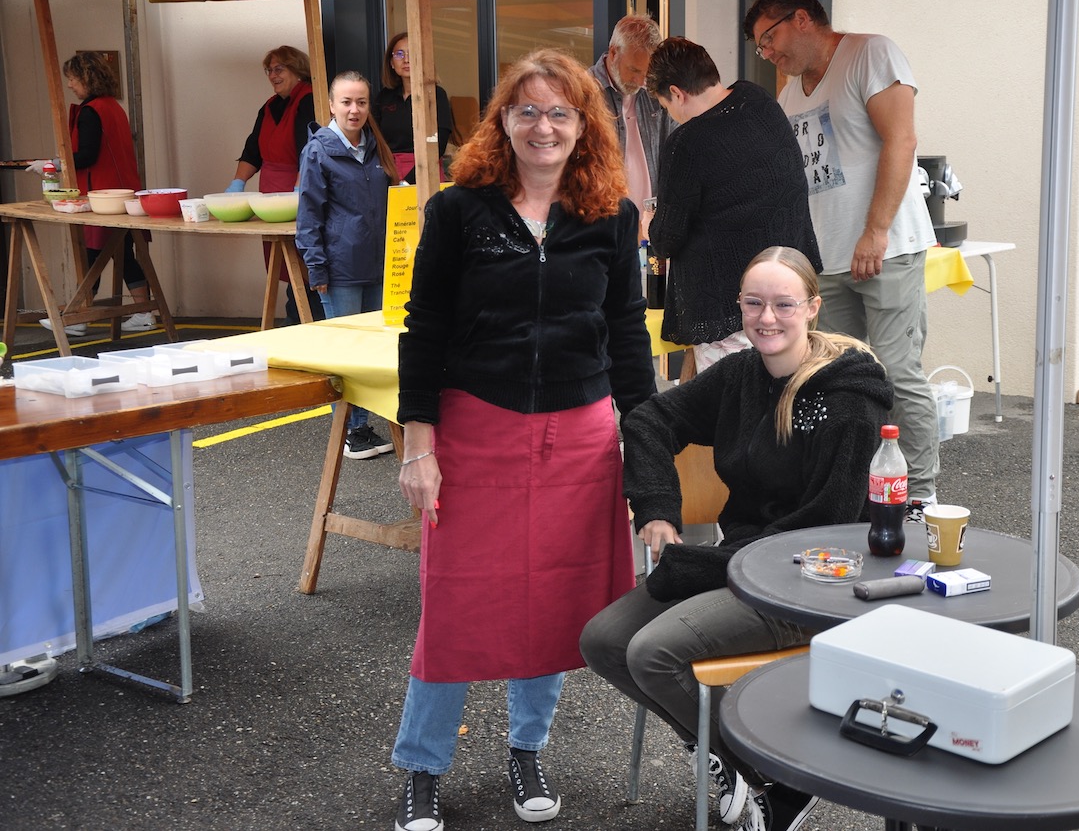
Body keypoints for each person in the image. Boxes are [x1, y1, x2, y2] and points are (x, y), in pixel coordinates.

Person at [392, 48, 656, 831]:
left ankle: (526, 747)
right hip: (476, 427)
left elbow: (627, 338)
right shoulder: (458, 211)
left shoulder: (613, 216)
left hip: (579, 436)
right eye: (528, 110)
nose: (544, 127)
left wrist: (646, 455)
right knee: (456, 599)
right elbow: (424, 329)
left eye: (560, 113)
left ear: (583, 123)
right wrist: (417, 445)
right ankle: (422, 765)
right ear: (503, 119)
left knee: (553, 598)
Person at [580, 247, 894, 831]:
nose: (766, 318)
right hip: (743, 562)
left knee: (652, 653)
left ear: (813, 307)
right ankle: (738, 760)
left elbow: (826, 522)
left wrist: (714, 563)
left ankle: (776, 776)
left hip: (811, 580)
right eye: (754, 303)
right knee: (603, 640)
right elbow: (649, 420)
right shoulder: (742, 375)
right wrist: (657, 509)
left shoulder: (847, 401)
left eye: (783, 305)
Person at [745, 0, 941, 513]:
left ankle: (919, 494)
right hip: (826, 258)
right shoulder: (789, 96)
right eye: (761, 47)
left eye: (769, 39)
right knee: (838, 376)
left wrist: (875, 231)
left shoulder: (869, 54)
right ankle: (856, 488)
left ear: (801, 19)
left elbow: (902, 139)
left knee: (896, 371)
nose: (768, 53)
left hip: (887, 247)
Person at [644, 37, 820, 371]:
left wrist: (649, 225)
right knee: (783, 390)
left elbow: (667, 238)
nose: (672, 115)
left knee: (731, 397)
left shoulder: (686, 143)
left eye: (666, 106)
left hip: (729, 307)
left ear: (677, 93)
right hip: (790, 291)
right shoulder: (757, 100)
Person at [296, 71, 400, 460]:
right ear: (331, 105)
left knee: (372, 349)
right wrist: (317, 268)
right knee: (346, 353)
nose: (354, 110)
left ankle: (366, 424)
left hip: (377, 267)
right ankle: (352, 431)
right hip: (340, 269)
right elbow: (308, 216)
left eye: (361, 102)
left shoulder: (376, 149)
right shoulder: (318, 152)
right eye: (346, 102)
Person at [33, 51, 154, 335]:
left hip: (102, 193)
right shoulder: (113, 107)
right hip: (123, 190)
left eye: (73, 79)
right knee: (122, 253)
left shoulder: (91, 112)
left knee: (92, 255)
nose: (70, 85)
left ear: (86, 78)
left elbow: (87, 155)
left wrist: (55, 164)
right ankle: (143, 311)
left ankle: (78, 316)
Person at [224, 45, 324, 325]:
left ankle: (309, 318)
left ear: (297, 69)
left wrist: (300, 191)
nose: (273, 75)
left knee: (305, 256)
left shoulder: (308, 100)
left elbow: (309, 150)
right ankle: (297, 316)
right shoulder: (269, 106)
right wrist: (237, 184)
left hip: (299, 190)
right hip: (272, 197)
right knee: (285, 260)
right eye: (269, 70)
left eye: (279, 69)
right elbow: (252, 150)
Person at [588, 14, 677, 227]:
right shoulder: (584, 92)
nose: (640, 81)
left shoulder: (655, 91)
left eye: (647, 72)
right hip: (603, 224)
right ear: (613, 53)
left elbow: (676, 148)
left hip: (651, 224)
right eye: (634, 70)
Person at [372, 31, 455, 184]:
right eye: (399, 54)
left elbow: (439, 143)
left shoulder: (436, 95)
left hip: (427, 172)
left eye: (413, 53)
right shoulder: (383, 97)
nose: (406, 60)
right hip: (388, 172)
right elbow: (373, 139)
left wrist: (408, 181)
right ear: (391, 63)